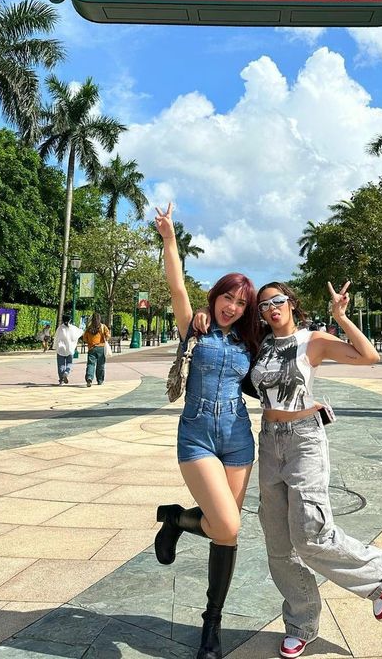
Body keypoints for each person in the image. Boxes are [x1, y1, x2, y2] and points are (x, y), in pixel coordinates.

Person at [250, 280, 382, 658]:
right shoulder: (260, 343)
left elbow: (368, 357)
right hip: (268, 441)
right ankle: (302, 623)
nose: (271, 308)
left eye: (278, 301)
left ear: (291, 303)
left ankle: (378, 572)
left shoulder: (311, 340)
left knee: (311, 533)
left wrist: (340, 317)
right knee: (278, 542)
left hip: (303, 441)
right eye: (264, 305)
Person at [153, 203, 259, 659]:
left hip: (238, 439)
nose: (232, 308)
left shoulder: (250, 341)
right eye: (228, 298)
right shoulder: (193, 330)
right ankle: (176, 518)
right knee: (229, 523)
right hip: (196, 435)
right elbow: (176, 285)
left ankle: (211, 626)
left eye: (241, 303)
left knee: (225, 532)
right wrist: (170, 239)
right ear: (216, 296)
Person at [82, 312, 110, 387]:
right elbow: (107, 336)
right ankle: (100, 380)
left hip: (91, 348)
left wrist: (90, 341)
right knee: (100, 365)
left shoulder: (89, 328)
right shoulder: (103, 327)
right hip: (101, 347)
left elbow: (84, 338)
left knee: (90, 364)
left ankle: (89, 378)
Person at [53, 314, 83, 384]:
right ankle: (66, 372)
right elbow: (80, 332)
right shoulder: (73, 328)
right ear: (70, 320)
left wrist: (55, 347)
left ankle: (61, 380)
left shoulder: (60, 328)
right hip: (70, 349)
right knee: (69, 363)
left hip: (61, 349)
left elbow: (56, 338)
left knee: (61, 364)